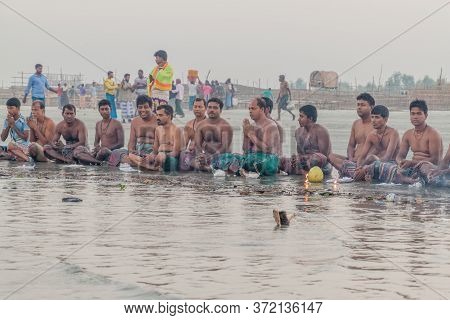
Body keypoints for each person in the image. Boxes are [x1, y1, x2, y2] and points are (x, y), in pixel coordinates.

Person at [330, 105, 400, 180]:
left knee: (371, 158)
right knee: (346, 163)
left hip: (389, 166)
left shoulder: (393, 133)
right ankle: (360, 174)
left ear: (385, 119)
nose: (373, 120)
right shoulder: (371, 135)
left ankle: (361, 174)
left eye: (377, 117)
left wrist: (366, 167)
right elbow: (362, 157)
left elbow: (387, 157)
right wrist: (359, 167)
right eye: (372, 117)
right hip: (371, 166)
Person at [281, 105, 332, 175]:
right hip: (304, 163)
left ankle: (303, 172)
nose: (298, 119)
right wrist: (295, 158)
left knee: (315, 159)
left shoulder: (321, 131)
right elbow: (300, 152)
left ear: (310, 118)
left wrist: (305, 157)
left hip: (322, 166)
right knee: (281, 161)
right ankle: (302, 172)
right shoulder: (298, 132)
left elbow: (324, 155)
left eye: (301, 116)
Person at [71, 99, 124, 165]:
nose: (104, 111)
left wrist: (105, 149)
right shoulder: (98, 124)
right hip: (100, 152)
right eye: (102, 109)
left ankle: (93, 161)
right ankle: (96, 162)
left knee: (104, 151)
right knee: (79, 149)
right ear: (99, 110)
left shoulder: (117, 123)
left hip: (111, 152)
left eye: (106, 109)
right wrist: (97, 148)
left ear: (111, 109)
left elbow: (121, 144)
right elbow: (96, 142)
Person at [109, 95, 158, 167]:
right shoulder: (135, 121)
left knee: (158, 158)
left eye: (146, 107)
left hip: (153, 153)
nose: (143, 110)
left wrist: (152, 154)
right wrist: (132, 151)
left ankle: (142, 163)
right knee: (115, 152)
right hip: (138, 153)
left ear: (151, 107)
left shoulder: (158, 120)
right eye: (140, 107)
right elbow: (132, 142)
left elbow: (162, 143)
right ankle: (142, 164)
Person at [328, 93, 375, 164]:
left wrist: (363, 161)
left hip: (367, 163)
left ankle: (350, 169)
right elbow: (351, 145)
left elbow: (378, 149)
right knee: (330, 157)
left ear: (371, 107)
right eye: (358, 105)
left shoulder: (376, 125)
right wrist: (350, 159)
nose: (359, 107)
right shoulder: (356, 124)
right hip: (353, 160)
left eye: (363, 105)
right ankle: (349, 168)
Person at [396, 99, 443, 170]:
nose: (415, 117)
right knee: (387, 167)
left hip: (430, 168)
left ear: (426, 115)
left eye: (419, 113)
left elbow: (435, 160)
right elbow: (400, 156)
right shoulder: (408, 134)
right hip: (413, 167)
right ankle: (409, 179)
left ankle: (410, 180)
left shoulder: (433, 134)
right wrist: (400, 163)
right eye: (413, 114)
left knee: (425, 168)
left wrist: (412, 163)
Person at [132, 105, 181, 171]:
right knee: (131, 156)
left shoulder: (176, 130)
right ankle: (152, 167)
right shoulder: (158, 129)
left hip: (171, 159)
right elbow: (155, 150)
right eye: (157, 115)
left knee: (161, 157)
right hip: (158, 157)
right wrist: (150, 155)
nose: (157, 117)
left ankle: (150, 166)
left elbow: (176, 152)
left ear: (169, 116)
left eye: (160, 115)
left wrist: (164, 155)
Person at [241, 97, 281, 176]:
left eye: (253, 108)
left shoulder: (270, 125)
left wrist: (250, 134)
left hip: (268, 160)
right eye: (249, 109)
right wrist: (245, 133)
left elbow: (267, 149)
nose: (250, 111)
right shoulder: (252, 126)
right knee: (233, 159)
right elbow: (245, 149)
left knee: (256, 163)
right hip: (253, 157)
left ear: (262, 109)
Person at [194, 98, 235, 172]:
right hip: (206, 156)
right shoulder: (201, 125)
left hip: (222, 157)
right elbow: (197, 145)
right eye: (209, 107)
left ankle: (210, 168)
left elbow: (224, 148)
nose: (212, 110)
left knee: (225, 162)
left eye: (215, 108)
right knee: (187, 160)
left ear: (221, 110)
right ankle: (206, 167)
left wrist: (211, 157)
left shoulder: (225, 126)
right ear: (206, 109)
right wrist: (201, 156)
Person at [179, 98, 207, 171]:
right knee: (183, 155)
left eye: (200, 107)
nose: (197, 109)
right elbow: (183, 145)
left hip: (205, 154)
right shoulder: (189, 124)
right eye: (195, 107)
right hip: (192, 155)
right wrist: (186, 150)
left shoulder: (210, 124)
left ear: (205, 108)